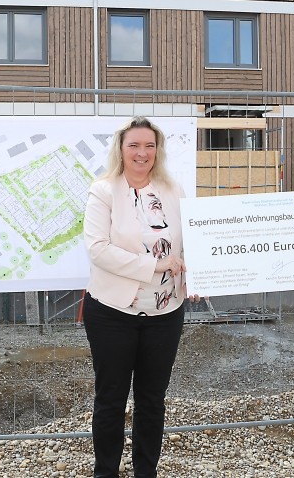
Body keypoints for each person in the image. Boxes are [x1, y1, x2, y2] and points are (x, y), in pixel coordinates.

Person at [83, 116, 191, 478]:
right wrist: (157, 266)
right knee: (111, 401)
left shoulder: (173, 191)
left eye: (149, 145)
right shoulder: (104, 190)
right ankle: (106, 473)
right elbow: (98, 250)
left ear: (157, 150)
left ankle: (146, 472)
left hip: (165, 313)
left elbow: (190, 243)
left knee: (152, 401)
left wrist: (201, 272)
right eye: (134, 145)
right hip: (112, 312)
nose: (142, 152)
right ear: (121, 149)